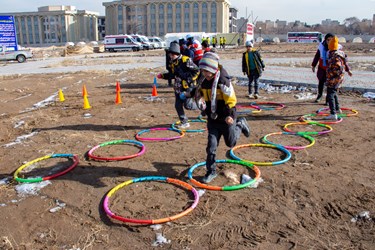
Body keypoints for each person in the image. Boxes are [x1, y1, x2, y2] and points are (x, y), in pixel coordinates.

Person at [195, 52, 251, 183]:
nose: (205, 74)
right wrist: (190, 95)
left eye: (207, 71)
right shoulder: (202, 79)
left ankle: (240, 124)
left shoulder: (223, 80)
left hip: (226, 117)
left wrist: (230, 115)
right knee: (211, 145)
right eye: (203, 71)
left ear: (213, 70)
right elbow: (197, 91)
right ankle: (211, 171)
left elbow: (231, 100)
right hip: (213, 118)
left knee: (230, 143)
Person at [157, 43, 200, 128]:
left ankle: (203, 106)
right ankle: (184, 122)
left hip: (187, 87)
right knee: (177, 105)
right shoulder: (173, 62)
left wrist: (188, 79)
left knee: (188, 106)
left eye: (171, 54)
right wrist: (163, 76)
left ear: (176, 53)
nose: (170, 56)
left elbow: (196, 71)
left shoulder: (186, 60)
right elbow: (173, 74)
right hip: (178, 88)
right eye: (170, 54)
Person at [325, 36, 353, 120]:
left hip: (334, 78)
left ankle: (333, 113)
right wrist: (348, 71)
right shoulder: (339, 54)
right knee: (334, 93)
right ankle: (337, 109)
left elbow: (338, 67)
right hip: (338, 78)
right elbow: (345, 64)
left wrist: (331, 76)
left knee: (330, 94)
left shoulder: (335, 56)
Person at [311, 33, 334, 104]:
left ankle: (328, 99)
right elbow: (317, 55)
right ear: (325, 39)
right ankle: (319, 96)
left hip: (331, 68)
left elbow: (342, 58)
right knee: (321, 81)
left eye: (331, 40)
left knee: (329, 83)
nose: (329, 41)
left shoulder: (335, 47)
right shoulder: (321, 46)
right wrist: (313, 65)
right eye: (328, 40)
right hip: (322, 66)